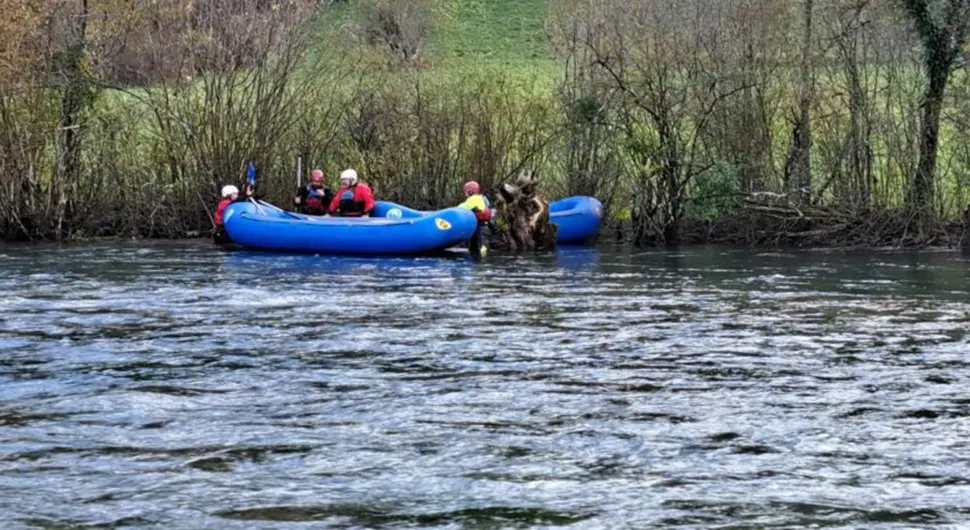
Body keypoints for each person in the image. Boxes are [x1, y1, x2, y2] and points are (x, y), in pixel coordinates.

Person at [458, 180, 493, 257]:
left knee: (482, 250)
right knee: (475, 250)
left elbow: (462, 208)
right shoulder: (481, 198)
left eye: (466, 191)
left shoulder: (475, 198)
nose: (465, 193)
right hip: (479, 228)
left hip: (481, 229)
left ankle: (482, 265)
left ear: (471, 191)